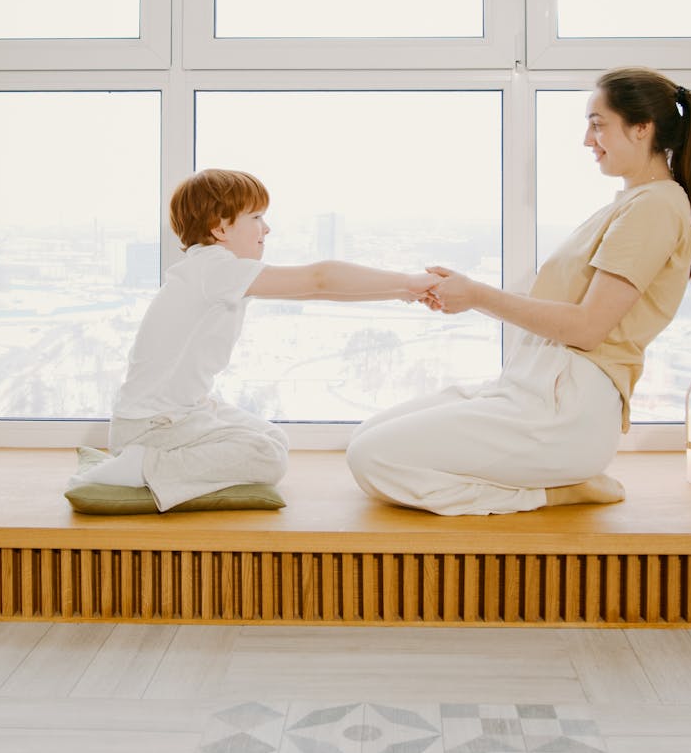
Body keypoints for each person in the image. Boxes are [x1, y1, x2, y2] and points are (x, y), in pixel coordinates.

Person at [347, 67, 691, 516]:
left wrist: (477, 296)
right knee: (367, 437)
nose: (586, 139)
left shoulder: (655, 207)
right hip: (536, 387)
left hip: (566, 410)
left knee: (371, 458)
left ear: (642, 129)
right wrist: (460, 291)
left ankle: (553, 491)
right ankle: (548, 480)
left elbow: (588, 328)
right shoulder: (634, 203)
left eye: (598, 124)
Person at [77, 168, 436, 512]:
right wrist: (406, 281)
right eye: (256, 217)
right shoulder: (214, 270)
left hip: (180, 412)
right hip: (152, 427)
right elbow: (320, 279)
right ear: (220, 228)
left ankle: (146, 460)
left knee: (274, 440)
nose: (267, 228)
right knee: (267, 457)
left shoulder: (212, 269)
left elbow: (314, 291)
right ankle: (140, 467)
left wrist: (402, 292)